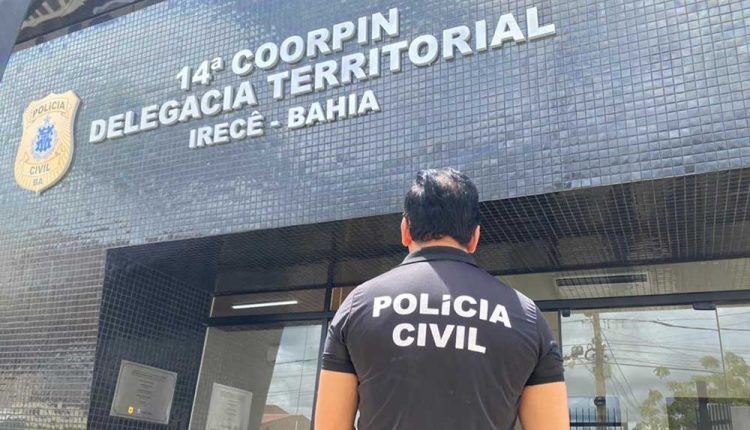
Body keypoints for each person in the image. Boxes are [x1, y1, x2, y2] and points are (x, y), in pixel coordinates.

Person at [315, 168, 569, 430]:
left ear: (405, 230)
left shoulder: (358, 306)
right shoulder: (525, 317)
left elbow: (329, 426)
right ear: (475, 237)